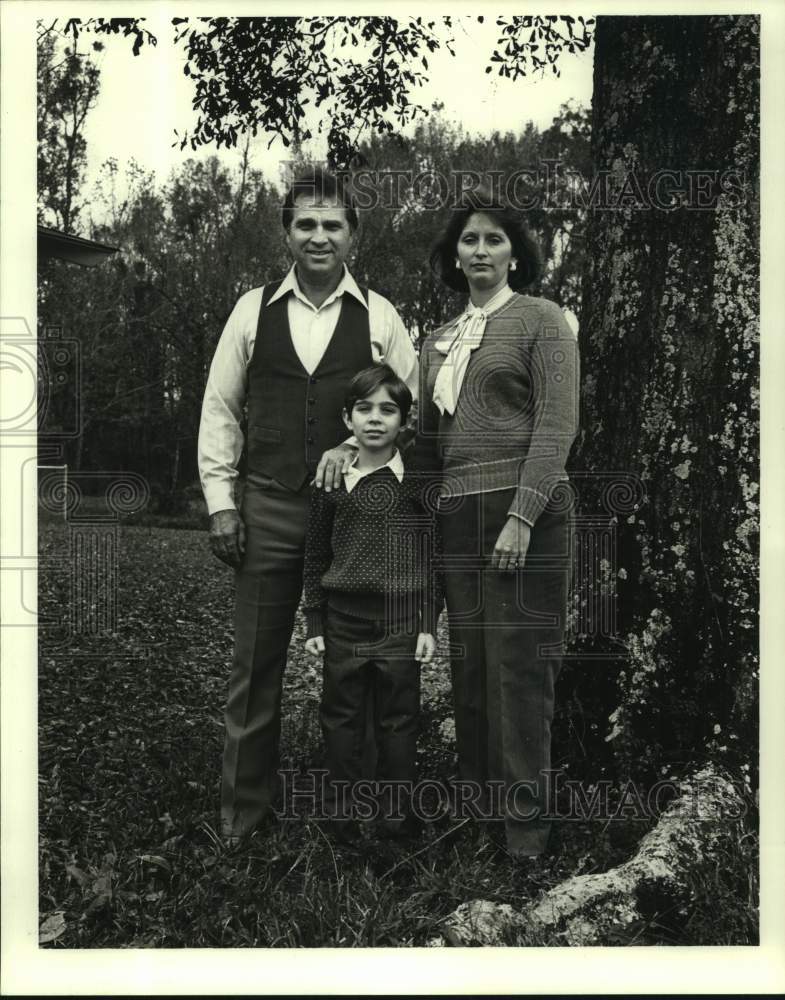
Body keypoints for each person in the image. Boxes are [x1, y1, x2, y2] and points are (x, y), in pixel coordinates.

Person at [198, 168, 418, 844]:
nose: (318, 236)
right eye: (305, 224)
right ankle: (243, 819)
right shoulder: (250, 308)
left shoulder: (380, 315)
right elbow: (220, 410)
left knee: (371, 673)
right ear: (287, 232)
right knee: (254, 667)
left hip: (357, 523)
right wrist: (220, 503)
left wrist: (356, 456)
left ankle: (367, 818)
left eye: (332, 225)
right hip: (266, 507)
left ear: (353, 234)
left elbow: (405, 420)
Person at [414, 188, 579, 859]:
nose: (479, 251)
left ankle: (524, 839)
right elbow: (426, 446)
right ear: (453, 256)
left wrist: (521, 515)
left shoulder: (543, 320)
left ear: (515, 253)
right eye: (468, 241)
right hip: (457, 518)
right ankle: (477, 824)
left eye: (493, 240)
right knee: (471, 672)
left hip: (526, 516)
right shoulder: (436, 342)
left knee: (518, 676)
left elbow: (556, 423)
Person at [302, 364, 442, 840]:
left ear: (404, 422)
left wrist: (428, 621)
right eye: (364, 409)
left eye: (388, 410)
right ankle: (340, 819)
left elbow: (432, 556)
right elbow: (316, 553)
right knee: (340, 720)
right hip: (343, 622)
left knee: (399, 723)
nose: (376, 419)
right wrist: (315, 620)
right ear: (348, 420)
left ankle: (395, 820)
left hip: (401, 624)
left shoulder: (419, 485)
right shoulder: (330, 484)